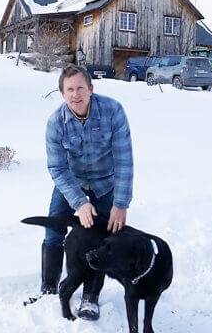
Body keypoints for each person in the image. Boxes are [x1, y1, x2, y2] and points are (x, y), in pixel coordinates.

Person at [40, 65, 133, 320]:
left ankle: (91, 297)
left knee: (105, 237)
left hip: (106, 182)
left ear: (91, 89)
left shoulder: (113, 111)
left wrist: (121, 203)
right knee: (54, 229)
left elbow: (124, 160)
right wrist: (79, 203)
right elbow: (57, 168)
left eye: (81, 88)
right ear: (62, 93)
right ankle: (49, 287)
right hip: (72, 180)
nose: (75, 94)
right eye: (69, 89)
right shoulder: (55, 123)